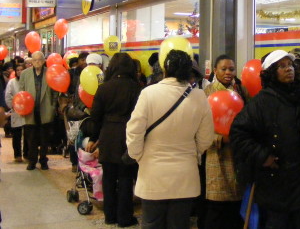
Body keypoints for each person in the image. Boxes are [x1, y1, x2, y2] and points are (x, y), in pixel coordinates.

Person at [126, 49, 214, 229]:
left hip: (152, 172)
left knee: (152, 223)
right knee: (180, 224)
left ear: (165, 69)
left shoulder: (149, 93)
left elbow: (134, 131)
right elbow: (206, 138)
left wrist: (138, 156)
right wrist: (193, 152)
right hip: (185, 174)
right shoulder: (199, 96)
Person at [230, 50, 300, 229]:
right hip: (276, 184)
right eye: (282, 66)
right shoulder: (261, 102)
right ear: (271, 72)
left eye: (290, 65)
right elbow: (238, 133)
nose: (289, 69)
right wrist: (263, 156)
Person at [85, 52, 141, 227]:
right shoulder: (137, 87)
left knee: (108, 177)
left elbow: (95, 116)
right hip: (129, 135)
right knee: (126, 177)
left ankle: (110, 215)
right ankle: (125, 217)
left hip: (108, 135)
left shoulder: (104, 88)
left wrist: (94, 138)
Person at [202, 54, 249, 229]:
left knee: (236, 206)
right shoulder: (207, 93)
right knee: (217, 205)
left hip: (238, 155)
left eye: (231, 69)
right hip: (216, 155)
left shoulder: (241, 92)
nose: (228, 72)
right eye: (223, 69)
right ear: (215, 71)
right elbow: (200, 130)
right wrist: (220, 139)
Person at [19, 51, 58, 171]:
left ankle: (43, 160)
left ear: (44, 61)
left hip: (45, 110)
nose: (37, 62)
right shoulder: (25, 74)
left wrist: (52, 106)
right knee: (31, 138)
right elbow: (21, 91)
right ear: (31, 61)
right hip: (30, 111)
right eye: (35, 60)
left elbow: (55, 92)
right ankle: (32, 161)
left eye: (40, 60)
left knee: (44, 138)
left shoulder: (49, 73)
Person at [66, 51, 89, 172]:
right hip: (76, 110)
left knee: (84, 139)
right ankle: (74, 162)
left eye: (86, 60)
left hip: (87, 112)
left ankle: (84, 162)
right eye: (82, 60)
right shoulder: (72, 73)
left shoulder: (91, 74)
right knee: (74, 137)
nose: (84, 62)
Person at [5, 63, 28, 162]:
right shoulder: (12, 82)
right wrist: (13, 106)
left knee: (27, 134)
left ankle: (26, 153)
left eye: (21, 69)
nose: (20, 71)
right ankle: (17, 155)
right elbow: (8, 96)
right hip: (16, 111)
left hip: (27, 110)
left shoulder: (28, 81)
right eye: (17, 70)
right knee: (17, 135)